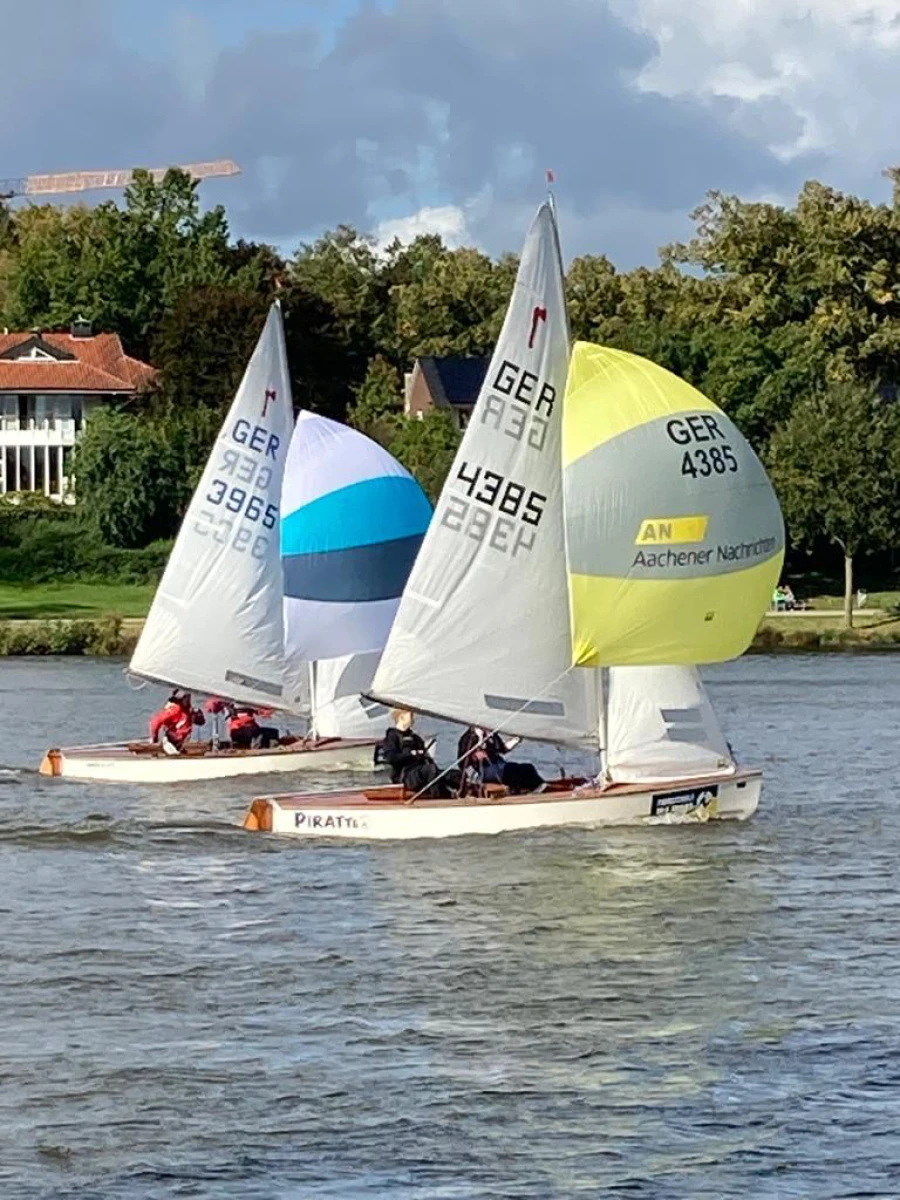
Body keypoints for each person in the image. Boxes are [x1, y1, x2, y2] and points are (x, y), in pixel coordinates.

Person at [457, 726, 545, 794]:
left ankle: (535, 788)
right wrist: (474, 757)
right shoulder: (468, 738)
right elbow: (462, 762)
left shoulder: (491, 734)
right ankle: (515, 791)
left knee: (527, 768)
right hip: (483, 770)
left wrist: (516, 740)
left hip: (498, 765)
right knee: (510, 772)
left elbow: (503, 749)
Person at [379, 708, 444, 795]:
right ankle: (437, 799)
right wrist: (410, 755)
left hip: (418, 772)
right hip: (405, 776)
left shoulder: (415, 738)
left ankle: (458, 797)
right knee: (430, 770)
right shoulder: (392, 737)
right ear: (401, 717)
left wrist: (424, 756)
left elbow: (425, 757)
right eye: (411, 716)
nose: (413, 719)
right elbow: (390, 758)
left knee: (450, 774)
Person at [149, 691, 206, 755]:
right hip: (170, 744)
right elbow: (155, 721)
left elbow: (201, 722)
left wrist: (198, 714)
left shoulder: (189, 711)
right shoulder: (175, 709)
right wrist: (154, 739)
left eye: (188, 697)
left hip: (180, 745)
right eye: (185, 697)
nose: (187, 699)